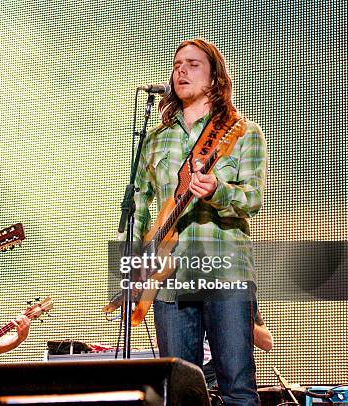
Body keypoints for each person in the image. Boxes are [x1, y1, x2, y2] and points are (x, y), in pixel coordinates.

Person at [133, 38, 267, 405]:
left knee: (236, 388)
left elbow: (252, 198)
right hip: (169, 278)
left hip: (226, 271)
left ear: (213, 79)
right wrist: (140, 263)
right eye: (177, 65)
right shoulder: (156, 139)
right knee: (176, 391)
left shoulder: (242, 132)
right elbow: (141, 203)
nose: (181, 71)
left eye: (193, 64)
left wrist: (218, 190)